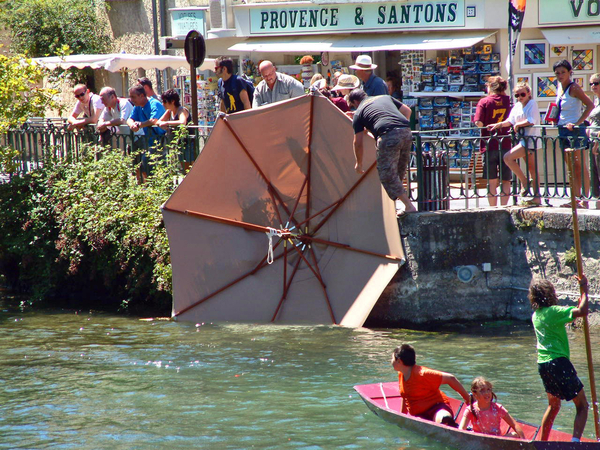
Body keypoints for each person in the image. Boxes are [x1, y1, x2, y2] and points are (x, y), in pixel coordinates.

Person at [529, 275, 589, 442]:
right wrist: (585, 290)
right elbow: (583, 312)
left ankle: (542, 442)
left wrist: (580, 302)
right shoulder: (553, 312)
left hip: (543, 364)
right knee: (583, 406)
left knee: (553, 406)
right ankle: (575, 443)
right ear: (550, 294)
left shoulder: (537, 315)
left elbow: (572, 315)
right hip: (558, 362)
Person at [348, 88, 416, 215]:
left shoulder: (359, 112)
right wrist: (398, 128)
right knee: (398, 171)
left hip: (387, 135)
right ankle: (396, 205)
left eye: (352, 106)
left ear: (355, 102)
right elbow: (407, 111)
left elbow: (357, 143)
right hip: (406, 132)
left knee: (386, 172)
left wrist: (359, 163)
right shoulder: (384, 97)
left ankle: (408, 206)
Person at [488, 82, 541, 205]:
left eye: (522, 94)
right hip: (523, 140)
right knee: (532, 169)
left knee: (508, 158)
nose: (520, 97)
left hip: (530, 140)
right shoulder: (517, 105)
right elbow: (510, 120)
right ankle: (536, 196)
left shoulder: (532, 104)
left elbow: (531, 120)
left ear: (528, 93)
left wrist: (518, 124)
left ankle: (524, 182)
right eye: (517, 95)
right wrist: (498, 125)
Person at [391, 344, 470, 425]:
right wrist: (401, 417)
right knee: (420, 420)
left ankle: (446, 422)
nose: (391, 361)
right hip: (419, 415)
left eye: (392, 358)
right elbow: (405, 397)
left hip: (436, 407)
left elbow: (451, 378)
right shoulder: (401, 374)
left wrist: (467, 399)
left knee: (443, 417)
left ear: (399, 361)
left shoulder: (422, 374)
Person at [554, 59, 594, 209]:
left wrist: (578, 123)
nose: (560, 75)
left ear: (570, 73)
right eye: (557, 73)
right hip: (563, 128)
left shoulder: (574, 88)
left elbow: (590, 105)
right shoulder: (559, 87)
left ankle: (584, 200)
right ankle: (575, 198)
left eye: (563, 72)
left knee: (579, 165)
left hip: (574, 130)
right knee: (570, 165)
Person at [474, 76, 513, 207]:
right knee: (506, 180)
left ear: (490, 87)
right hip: (506, 144)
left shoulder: (484, 101)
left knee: (491, 181)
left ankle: (493, 208)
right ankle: (505, 207)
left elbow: (478, 123)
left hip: (489, 144)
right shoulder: (509, 101)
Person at [459, 377, 525, 438]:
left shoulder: (498, 408)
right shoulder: (470, 410)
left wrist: (524, 442)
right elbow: (461, 430)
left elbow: (515, 425)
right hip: (479, 441)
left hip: (497, 442)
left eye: (488, 390)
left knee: (514, 435)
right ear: (474, 394)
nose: (487, 393)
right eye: (482, 390)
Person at [588, 72, 600, 209]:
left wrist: (597, 141)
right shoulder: (596, 101)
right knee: (594, 173)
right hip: (593, 141)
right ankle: (597, 203)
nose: (593, 86)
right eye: (591, 83)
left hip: (598, 141)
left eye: (596, 83)